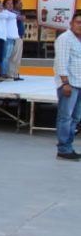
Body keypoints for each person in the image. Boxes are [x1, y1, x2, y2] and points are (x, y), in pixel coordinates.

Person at [53, 11, 81, 161]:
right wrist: (65, 83)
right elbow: (61, 62)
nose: (80, 26)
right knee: (65, 118)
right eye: (78, 22)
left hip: (80, 83)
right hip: (69, 84)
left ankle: (68, 147)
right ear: (71, 23)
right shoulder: (65, 39)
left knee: (75, 118)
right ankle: (63, 149)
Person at [7, 0, 25, 81]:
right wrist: (20, 17)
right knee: (14, 56)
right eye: (19, 3)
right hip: (16, 37)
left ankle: (15, 73)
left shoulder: (17, 13)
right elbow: (19, 18)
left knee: (18, 57)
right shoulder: (13, 13)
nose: (21, 5)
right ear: (15, 5)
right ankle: (11, 74)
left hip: (20, 37)